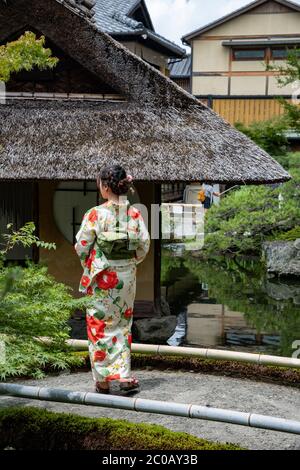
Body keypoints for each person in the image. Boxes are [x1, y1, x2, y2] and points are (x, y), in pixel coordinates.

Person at [75, 165, 150, 394]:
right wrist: (128, 264)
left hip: (102, 276)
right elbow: (143, 246)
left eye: (100, 184)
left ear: (106, 187)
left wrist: (90, 261)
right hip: (126, 277)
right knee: (122, 325)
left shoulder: (96, 214)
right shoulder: (135, 213)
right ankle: (124, 376)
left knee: (99, 325)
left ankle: (103, 380)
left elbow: (82, 246)